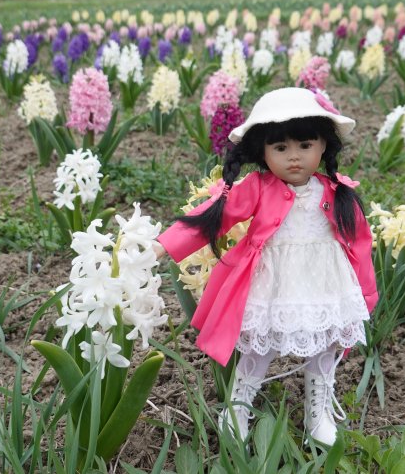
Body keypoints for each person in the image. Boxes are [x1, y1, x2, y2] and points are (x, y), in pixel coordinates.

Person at [155, 87, 377, 446]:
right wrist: (164, 245)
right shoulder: (258, 187)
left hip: (325, 283)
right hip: (273, 281)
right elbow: (215, 217)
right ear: (262, 151)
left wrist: (366, 293)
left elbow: (360, 245)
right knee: (260, 347)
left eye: (305, 146)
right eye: (280, 148)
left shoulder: (337, 194)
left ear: (323, 146)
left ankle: (317, 413)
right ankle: (238, 406)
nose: (294, 158)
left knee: (323, 346)